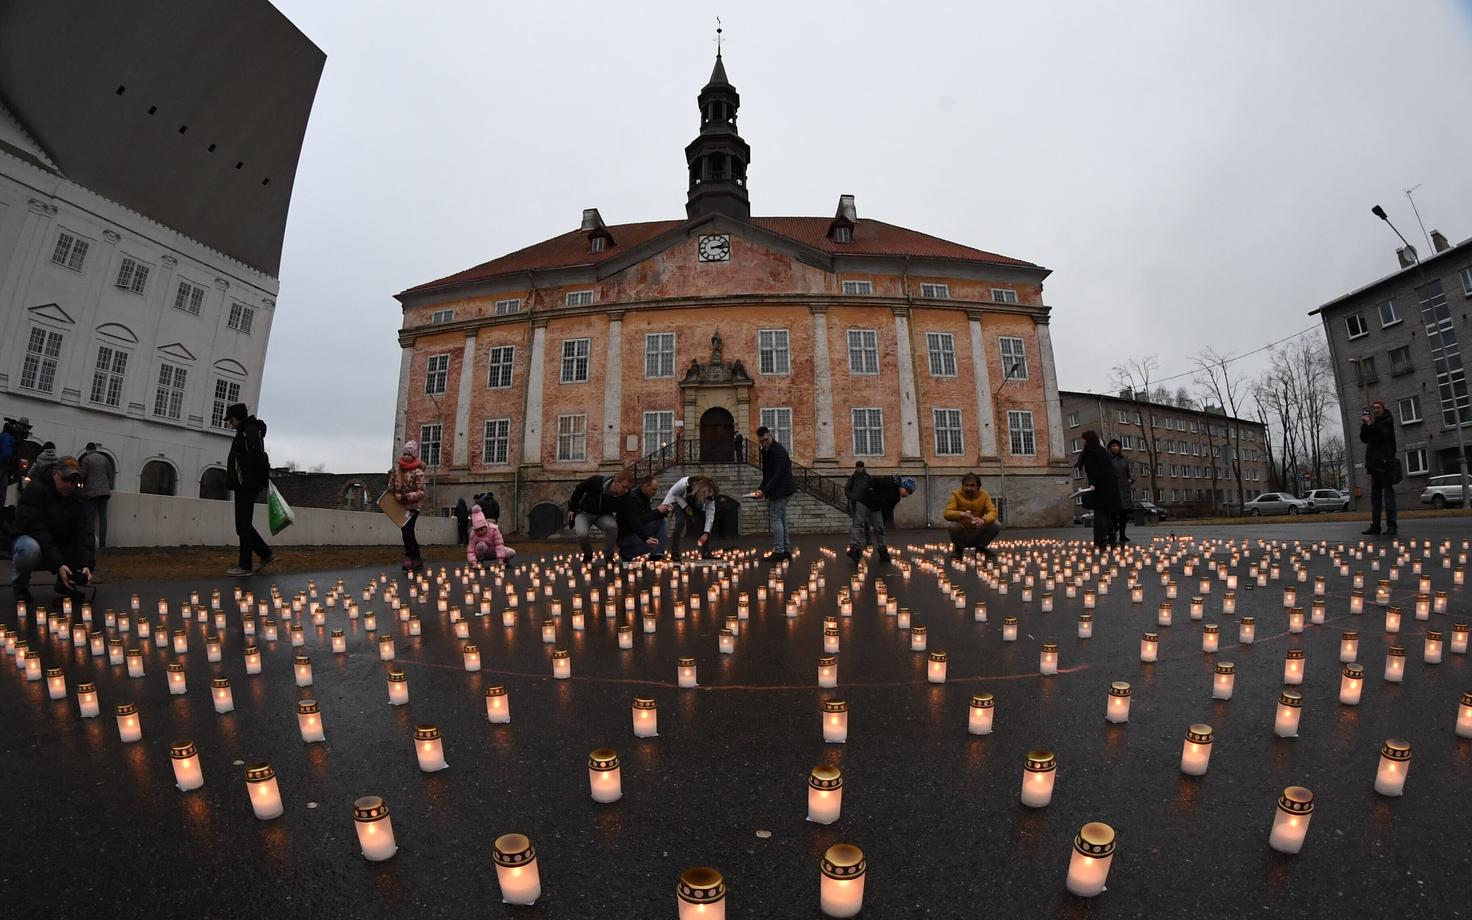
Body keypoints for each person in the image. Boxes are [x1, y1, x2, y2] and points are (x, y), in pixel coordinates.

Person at [10, 457, 94, 605]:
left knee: (91, 539)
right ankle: (20, 585)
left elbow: (84, 531)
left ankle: (66, 583)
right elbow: (36, 528)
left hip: (56, 541)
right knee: (29, 549)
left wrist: (85, 565)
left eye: (73, 482)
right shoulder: (36, 489)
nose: (69, 485)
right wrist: (58, 564)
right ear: (55, 473)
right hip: (30, 537)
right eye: (65, 479)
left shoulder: (77, 497)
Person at [224, 403, 276, 576]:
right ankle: (265, 554)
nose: (230, 423)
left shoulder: (249, 432)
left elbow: (258, 459)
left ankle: (246, 566)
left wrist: (259, 482)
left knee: (243, 526)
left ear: (236, 417)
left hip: (247, 485)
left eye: (230, 419)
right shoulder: (245, 432)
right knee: (243, 525)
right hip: (244, 484)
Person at [847, 475, 916, 565]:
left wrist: (883, 523)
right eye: (906, 491)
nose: (906, 494)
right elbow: (874, 481)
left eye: (909, 494)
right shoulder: (889, 482)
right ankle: (854, 549)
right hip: (864, 500)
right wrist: (870, 490)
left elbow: (887, 510)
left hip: (876, 507)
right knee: (858, 523)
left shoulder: (896, 498)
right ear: (902, 486)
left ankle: (883, 550)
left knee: (879, 527)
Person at [751, 426, 795, 562]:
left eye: (766, 440)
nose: (764, 443)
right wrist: (760, 489)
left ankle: (779, 551)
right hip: (778, 489)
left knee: (776, 518)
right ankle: (785, 550)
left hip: (782, 489)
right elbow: (767, 475)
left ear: (770, 436)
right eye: (761, 442)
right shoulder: (766, 451)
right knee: (781, 519)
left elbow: (777, 475)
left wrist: (764, 491)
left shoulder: (778, 451)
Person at [569, 470, 634, 564]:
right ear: (615, 481)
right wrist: (572, 509)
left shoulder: (625, 495)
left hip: (603, 515)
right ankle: (588, 554)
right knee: (582, 533)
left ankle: (608, 555)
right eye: (624, 487)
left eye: (628, 488)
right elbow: (578, 490)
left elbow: (627, 512)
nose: (626, 490)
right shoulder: (596, 481)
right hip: (584, 512)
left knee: (612, 527)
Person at [1075, 429, 1121, 550]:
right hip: (1110, 486)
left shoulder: (1090, 452)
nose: (1082, 441)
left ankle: (1101, 541)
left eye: (1083, 439)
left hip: (1101, 486)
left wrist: (1093, 484)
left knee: (1100, 513)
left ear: (1087, 439)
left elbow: (1093, 469)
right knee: (1107, 513)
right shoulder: (1102, 451)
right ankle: (1111, 538)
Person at [387, 441, 427, 571]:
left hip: (413, 506)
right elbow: (391, 486)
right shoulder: (398, 469)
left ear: (414, 457)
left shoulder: (418, 472)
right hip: (401, 505)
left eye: (409, 455)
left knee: (408, 530)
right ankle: (413, 558)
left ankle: (412, 558)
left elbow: (421, 492)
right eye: (405, 453)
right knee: (405, 532)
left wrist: (406, 496)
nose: (406, 457)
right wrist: (394, 492)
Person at [943, 473, 1001, 560]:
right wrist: (961, 514)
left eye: (972, 485)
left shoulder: (984, 495)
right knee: (953, 526)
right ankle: (959, 549)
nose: (969, 488)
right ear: (962, 485)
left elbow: (993, 512)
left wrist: (983, 520)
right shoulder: (956, 495)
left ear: (978, 487)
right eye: (966, 485)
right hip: (962, 532)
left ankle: (981, 548)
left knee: (996, 525)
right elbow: (947, 513)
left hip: (978, 530)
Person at [1360, 400, 1397, 536]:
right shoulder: (1373, 423)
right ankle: (1375, 526)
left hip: (1385, 464)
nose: (1375, 410)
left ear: (1383, 408)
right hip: (1374, 466)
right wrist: (1365, 424)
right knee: (1375, 499)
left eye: (1378, 407)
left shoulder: (1387, 421)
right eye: (1373, 408)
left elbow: (1383, 435)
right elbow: (1364, 438)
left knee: (1388, 497)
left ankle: (1392, 525)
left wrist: (1371, 424)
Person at [662, 474, 718, 559]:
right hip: (678, 500)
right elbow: (675, 494)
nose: (708, 497)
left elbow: (710, 513)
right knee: (680, 522)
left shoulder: (710, 495)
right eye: (706, 495)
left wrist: (706, 532)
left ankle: (706, 552)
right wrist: (686, 506)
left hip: (695, 501)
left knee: (703, 521)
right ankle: (675, 552)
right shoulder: (683, 484)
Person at [616, 474, 668, 561]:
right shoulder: (632, 498)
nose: (655, 492)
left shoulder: (645, 497)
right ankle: (627, 553)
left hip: (637, 531)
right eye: (654, 489)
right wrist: (658, 511)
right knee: (651, 545)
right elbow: (638, 520)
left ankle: (657, 554)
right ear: (645, 486)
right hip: (627, 535)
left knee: (662, 521)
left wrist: (663, 512)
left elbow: (648, 518)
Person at [79, 443, 113, 552]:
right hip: (104, 492)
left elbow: (82, 475)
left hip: (91, 492)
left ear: (87, 449)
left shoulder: (87, 459)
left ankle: (91, 543)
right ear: (95, 449)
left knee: (90, 519)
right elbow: (110, 475)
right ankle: (102, 544)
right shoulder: (105, 459)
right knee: (103, 519)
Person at [1108, 439, 1135, 544]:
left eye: (1117, 445)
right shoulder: (1108, 459)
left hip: (1124, 489)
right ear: (1110, 448)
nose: (1115, 447)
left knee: (1124, 515)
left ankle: (1123, 535)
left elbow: (1129, 473)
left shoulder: (1124, 459)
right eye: (1113, 446)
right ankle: (1113, 533)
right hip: (1113, 489)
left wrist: (1130, 480)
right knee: (1113, 514)